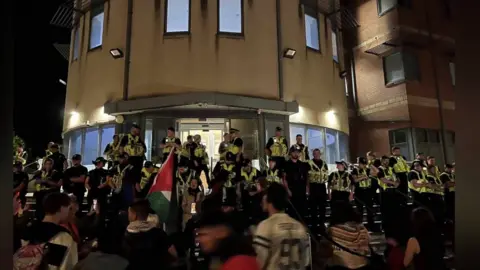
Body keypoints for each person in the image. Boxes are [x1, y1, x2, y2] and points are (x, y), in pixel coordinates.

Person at [253, 182, 310, 270]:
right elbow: (306, 260)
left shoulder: (265, 226)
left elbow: (260, 262)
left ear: (268, 199)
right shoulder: (300, 227)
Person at [16, 192, 78, 269]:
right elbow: (64, 266)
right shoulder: (62, 236)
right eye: (69, 208)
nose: (70, 212)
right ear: (61, 208)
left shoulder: (28, 229)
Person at [123, 199, 175, 269]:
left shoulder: (126, 235)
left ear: (134, 215)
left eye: (129, 212)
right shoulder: (159, 233)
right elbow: (174, 253)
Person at [326, 201, 370, 270]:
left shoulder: (333, 230)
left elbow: (325, 250)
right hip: (361, 264)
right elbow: (366, 247)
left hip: (339, 265)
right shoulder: (362, 228)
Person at [375, 156, 401, 238]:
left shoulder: (391, 168)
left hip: (393, 192)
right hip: (384, 192)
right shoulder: (379, 169)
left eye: (388, 161)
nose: (387, 162)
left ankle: (394, 226)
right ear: (382, 161)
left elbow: (397, 178)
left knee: (394, 211)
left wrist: (397, 182)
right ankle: (385, 228)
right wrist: (393, 183)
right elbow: (383, 179)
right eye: (385, 161)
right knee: (385, 211)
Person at [307, 148, 329, 238]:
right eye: (315, 153)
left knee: (322, 208)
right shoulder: (309, 163)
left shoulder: (324, 163)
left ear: (320, 154)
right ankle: (314, 227)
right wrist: (307, 188)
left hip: (322, 187)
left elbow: (326, 175)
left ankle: (322, 225)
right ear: (313, 154)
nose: (316, 155)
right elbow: (307, 176)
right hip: (313, 187)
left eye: (318, 153)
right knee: (313, 208)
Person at [283, 145, 309, 222]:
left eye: (298, 152)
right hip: (291, 191)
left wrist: (307, 188)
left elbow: (306, 177)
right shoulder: (286, 164)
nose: (296, 154)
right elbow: (284, 179)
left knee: (302, 212)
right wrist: (287, 190)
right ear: (291, 153)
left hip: (302, 191)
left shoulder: (303, 165)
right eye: (294, 152)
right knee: (292, 212)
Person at [351, 157, 376, 232]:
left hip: (368, 191)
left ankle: (371, 226)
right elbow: (354, 180)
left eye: (364, 164)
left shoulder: (368, 170)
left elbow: (375, 173)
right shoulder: (355, 170)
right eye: (362, 164)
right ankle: (360, 226)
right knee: (359, 210)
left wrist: (371, 165)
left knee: (370, 209)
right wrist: (362, 177)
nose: (363, 165)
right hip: (359, 191)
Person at [119, 125, 146, 190]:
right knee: (130, 175)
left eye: (139, 130)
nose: (138, 131)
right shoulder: (126, 137)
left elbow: (144, 148)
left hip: (138, 160)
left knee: (137, 177)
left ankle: (137, 191)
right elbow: (121, 148)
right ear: (133, 129)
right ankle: (130, 191)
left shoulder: (138, 138)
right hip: (129, 159)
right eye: (137, 130)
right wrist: (123, 156)